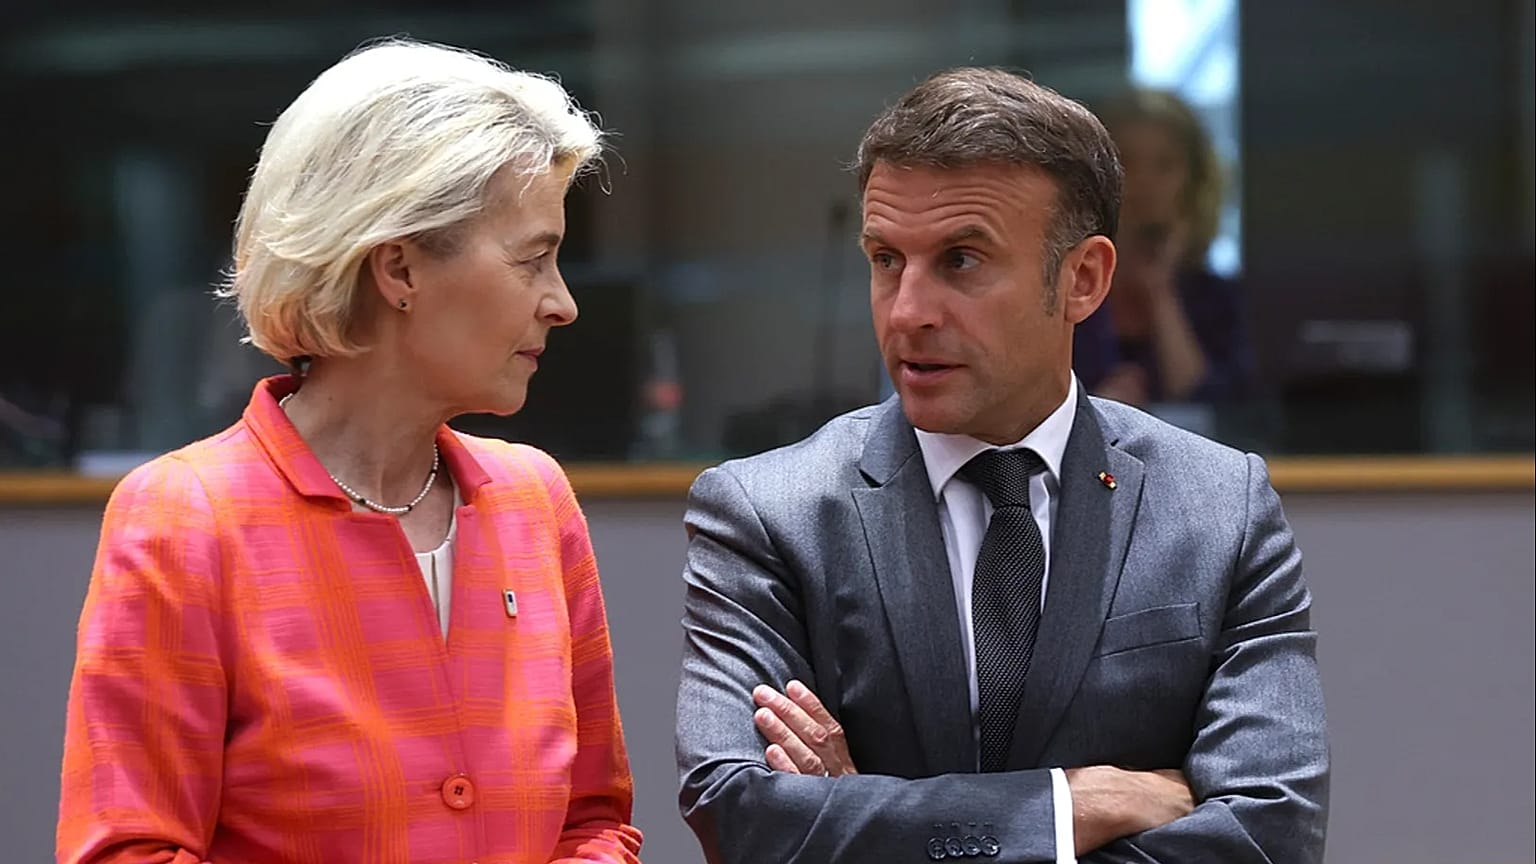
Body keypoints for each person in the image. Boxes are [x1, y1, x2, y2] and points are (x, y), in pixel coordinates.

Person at [675, 68, 1327, 863]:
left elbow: (1272, 831)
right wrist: (1073, 806)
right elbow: (741, 815)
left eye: (961, 261)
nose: (908, 309)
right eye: (886, 260)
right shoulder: (767, 512)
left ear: (1082, 279)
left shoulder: (1220, 506)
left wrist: (859, 817)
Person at [57, 39, 642, 864]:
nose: (563, 303)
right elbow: (130, 849)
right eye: (533, 258)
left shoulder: (535, 501)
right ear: (398, 268)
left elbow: (596, 824)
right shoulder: (187, 519)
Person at [1073, 87, 1252, 407]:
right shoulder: (1059, 294)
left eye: (1165, 165)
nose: (1144, 181)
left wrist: (1161, 295)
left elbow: (1212, 411)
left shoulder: (1223, 301)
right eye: (1126, 161)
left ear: (1194, 182)